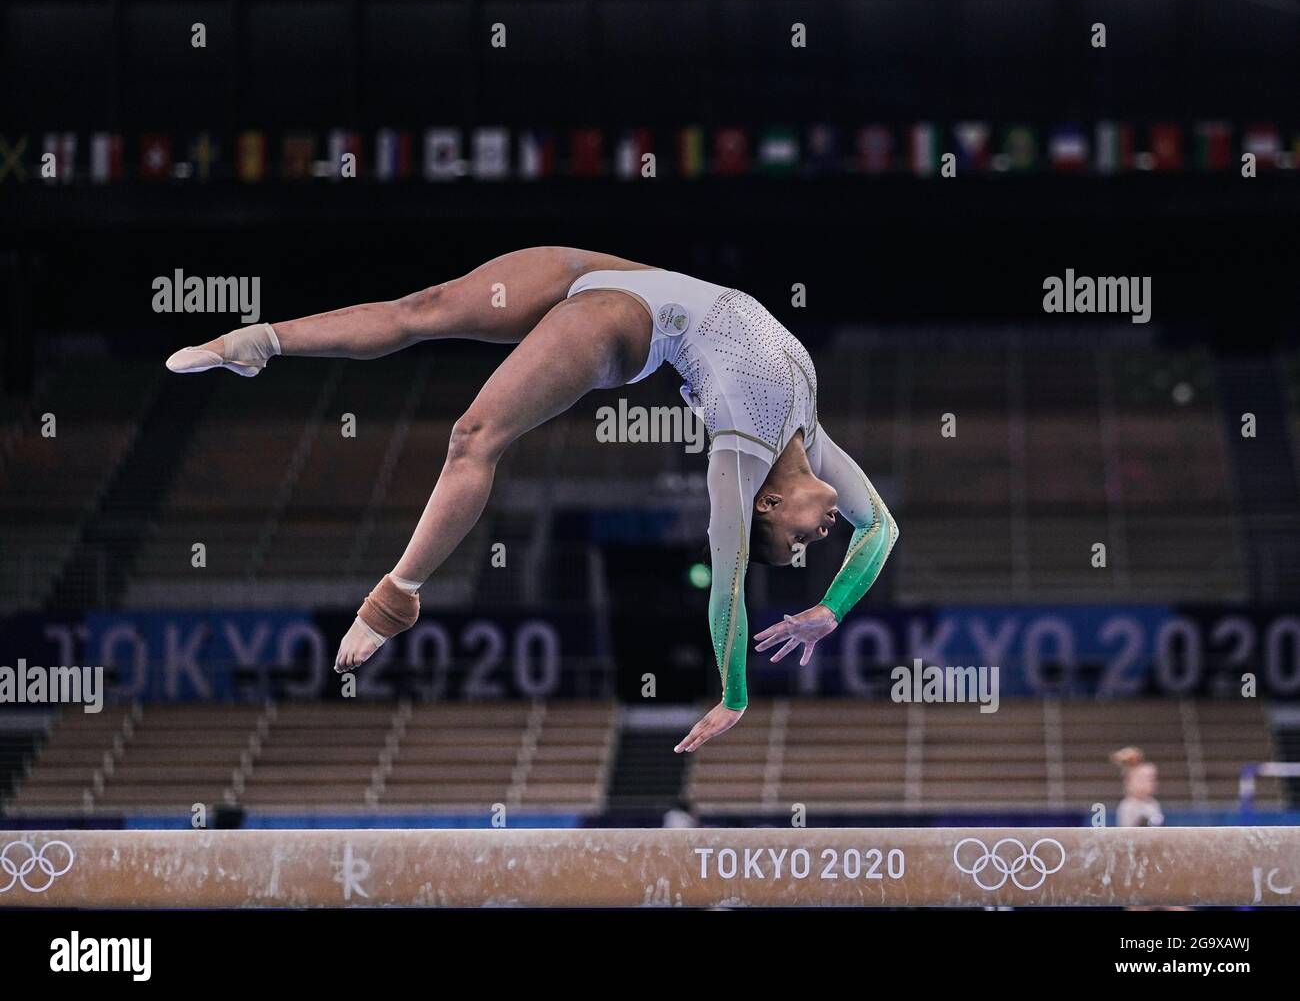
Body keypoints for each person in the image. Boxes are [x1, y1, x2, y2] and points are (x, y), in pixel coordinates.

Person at [166, 247, 899, 751]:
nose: (826, 533)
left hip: (628, 325)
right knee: (421, 307)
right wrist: (830, 610)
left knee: (474, 435)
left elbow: (729, 584)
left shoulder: (741, 455)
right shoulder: (811, 434)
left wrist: (734, 694)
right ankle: (258, 340)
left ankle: (397, 595)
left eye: (806, 544)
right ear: (776, 504)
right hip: (613, 272)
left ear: (763, 505)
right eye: (812, 540)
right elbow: (882, 531)